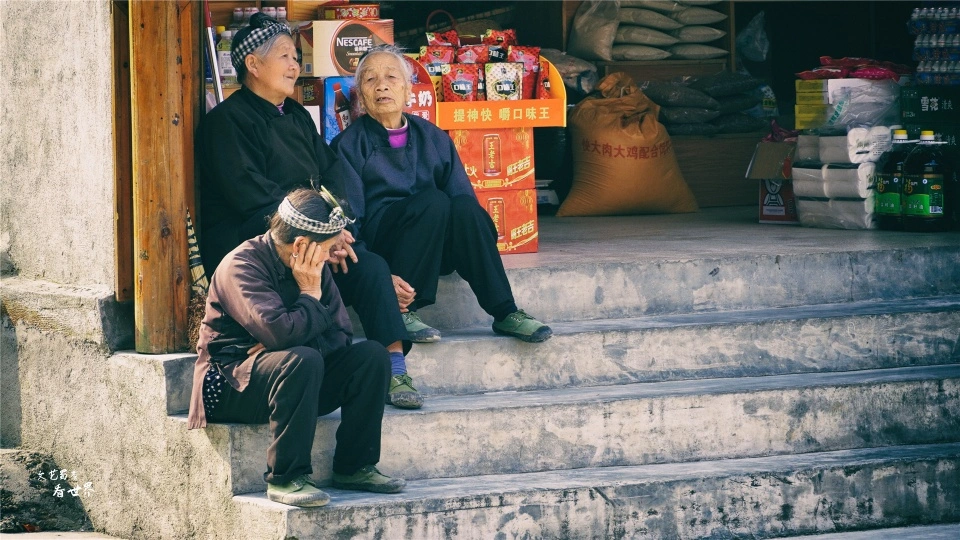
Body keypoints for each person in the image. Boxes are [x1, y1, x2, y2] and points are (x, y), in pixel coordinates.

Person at [195, 13, 422, 409]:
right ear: (253, 64)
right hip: (262, 244)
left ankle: (395, 366)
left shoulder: (296, 115)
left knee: (367, 266)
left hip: (313, 238)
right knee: (351, 258)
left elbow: (334, 174)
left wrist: (337, 227)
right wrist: (320, 234)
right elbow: (253, 197)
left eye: (296, 57)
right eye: (284, 56)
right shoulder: (226, 124)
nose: (294, 66)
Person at [187, 188, 405, 507]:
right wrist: (309, 297)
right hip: (230, 383)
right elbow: (281, 334)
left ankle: (355, 466)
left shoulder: (313, 266)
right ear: (302, 244)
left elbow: (340, 336)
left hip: (289, 376)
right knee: (302, 359)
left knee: (371, 355)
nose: (332, 255)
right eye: (328, 249)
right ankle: (286, 477)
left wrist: (290, 331)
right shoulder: (241, 266)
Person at [331, 45, 553, 347]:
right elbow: (350, 222)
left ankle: (505, 311)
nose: (382, 85)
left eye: (391, 77)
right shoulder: (349, 146)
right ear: (360, 93)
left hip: (434, 244)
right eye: (370, 79)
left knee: (461, 207)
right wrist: (376, 274)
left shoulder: (433, 137)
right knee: (433, 201)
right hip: (384, 249)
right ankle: (404, 311)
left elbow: (466, 205)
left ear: (408, 89)